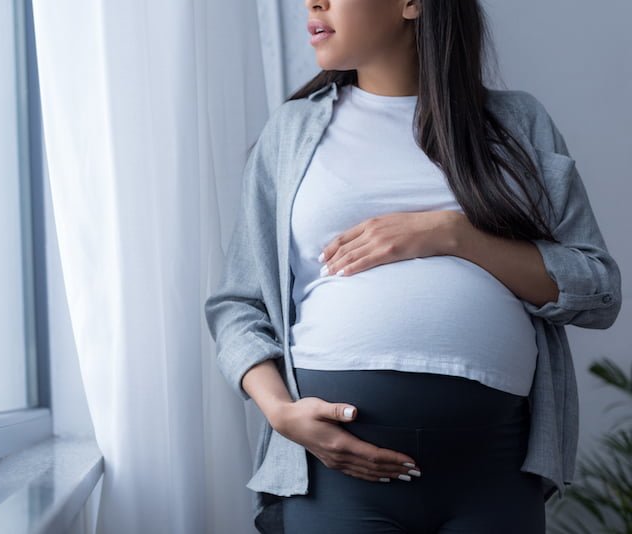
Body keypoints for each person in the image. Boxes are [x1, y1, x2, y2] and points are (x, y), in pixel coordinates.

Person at [204, 1, 623, 533]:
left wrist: (452, 235)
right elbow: (239, 304)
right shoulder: (290, 132)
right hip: (336, 471)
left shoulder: (518, 123)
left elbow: (598, 290)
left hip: (493, 472)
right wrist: (281, 414)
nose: (314, 2)